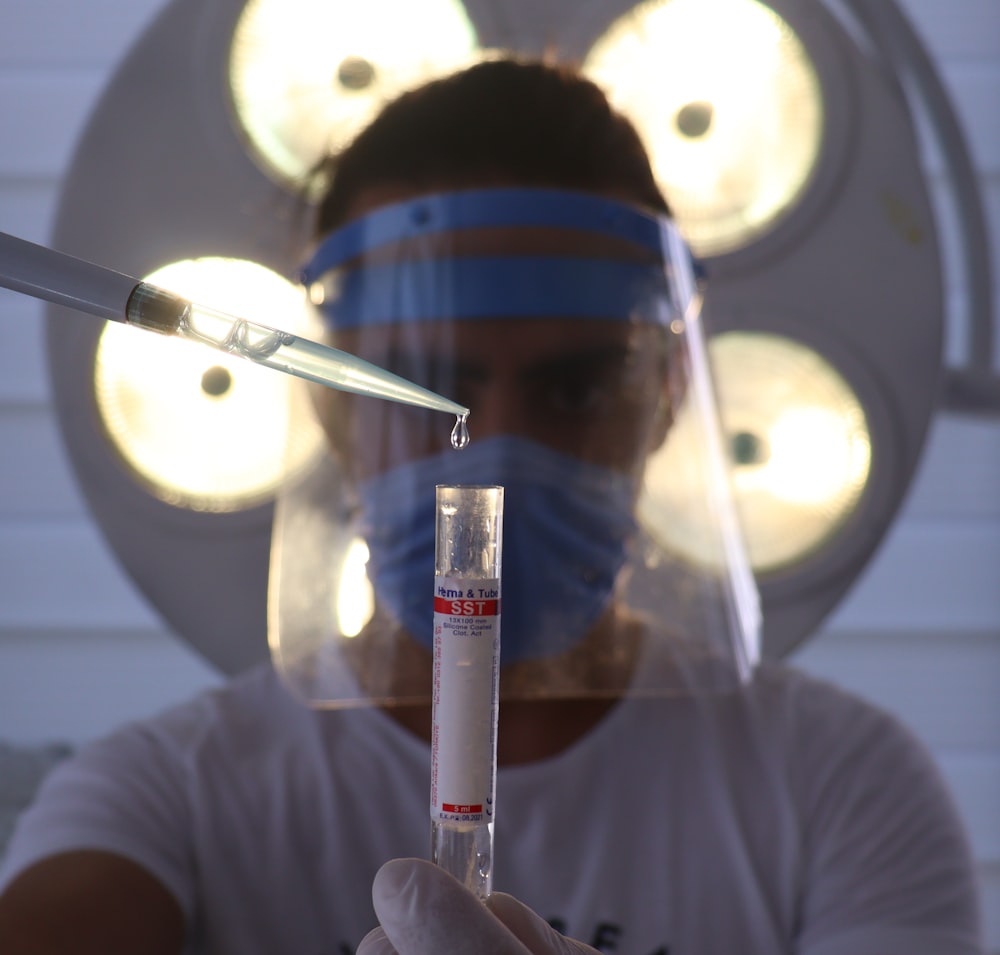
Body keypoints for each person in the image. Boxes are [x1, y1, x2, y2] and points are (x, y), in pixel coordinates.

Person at [0, 58, 983, 955]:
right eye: (425, 384)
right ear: (329, 401)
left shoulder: (841, 786)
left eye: (577, 385)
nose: (498, 459)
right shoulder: (167, 793)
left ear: (670, 391)